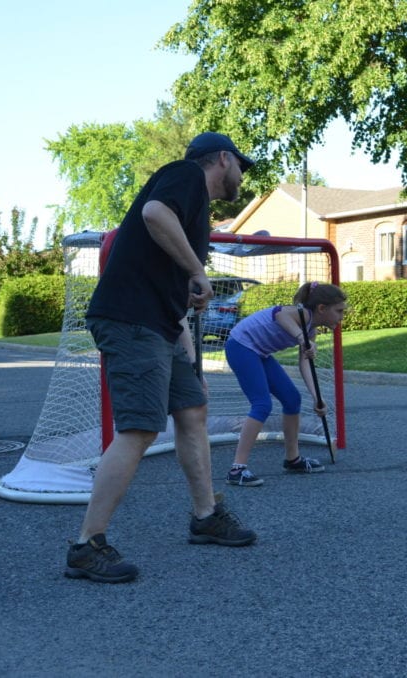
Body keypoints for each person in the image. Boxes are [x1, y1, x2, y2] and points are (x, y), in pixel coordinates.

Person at [65, 132, 258, 583]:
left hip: (161, 326)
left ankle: (205, 515)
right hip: (131, 321)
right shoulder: (186, 175)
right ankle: (85, 545)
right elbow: (153, 212)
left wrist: (191, 361)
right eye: (240, 168)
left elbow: (172, 293)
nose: (241, 179)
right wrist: (197, 269)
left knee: (193, 411)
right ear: (223, 160)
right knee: (139, 429)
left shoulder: (194, 213)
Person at [224, 282, 347, 486]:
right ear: (322, 308)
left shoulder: (311, 331)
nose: (342, 317)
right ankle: (237, 469)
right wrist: (301, 338)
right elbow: (279, 314)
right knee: (262, 404)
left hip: (259, 352)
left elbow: (305, 364)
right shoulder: (302, 314)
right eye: (339, 311)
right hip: (240, 346)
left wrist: (317, 398)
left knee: (292, 399)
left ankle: (293, 459)